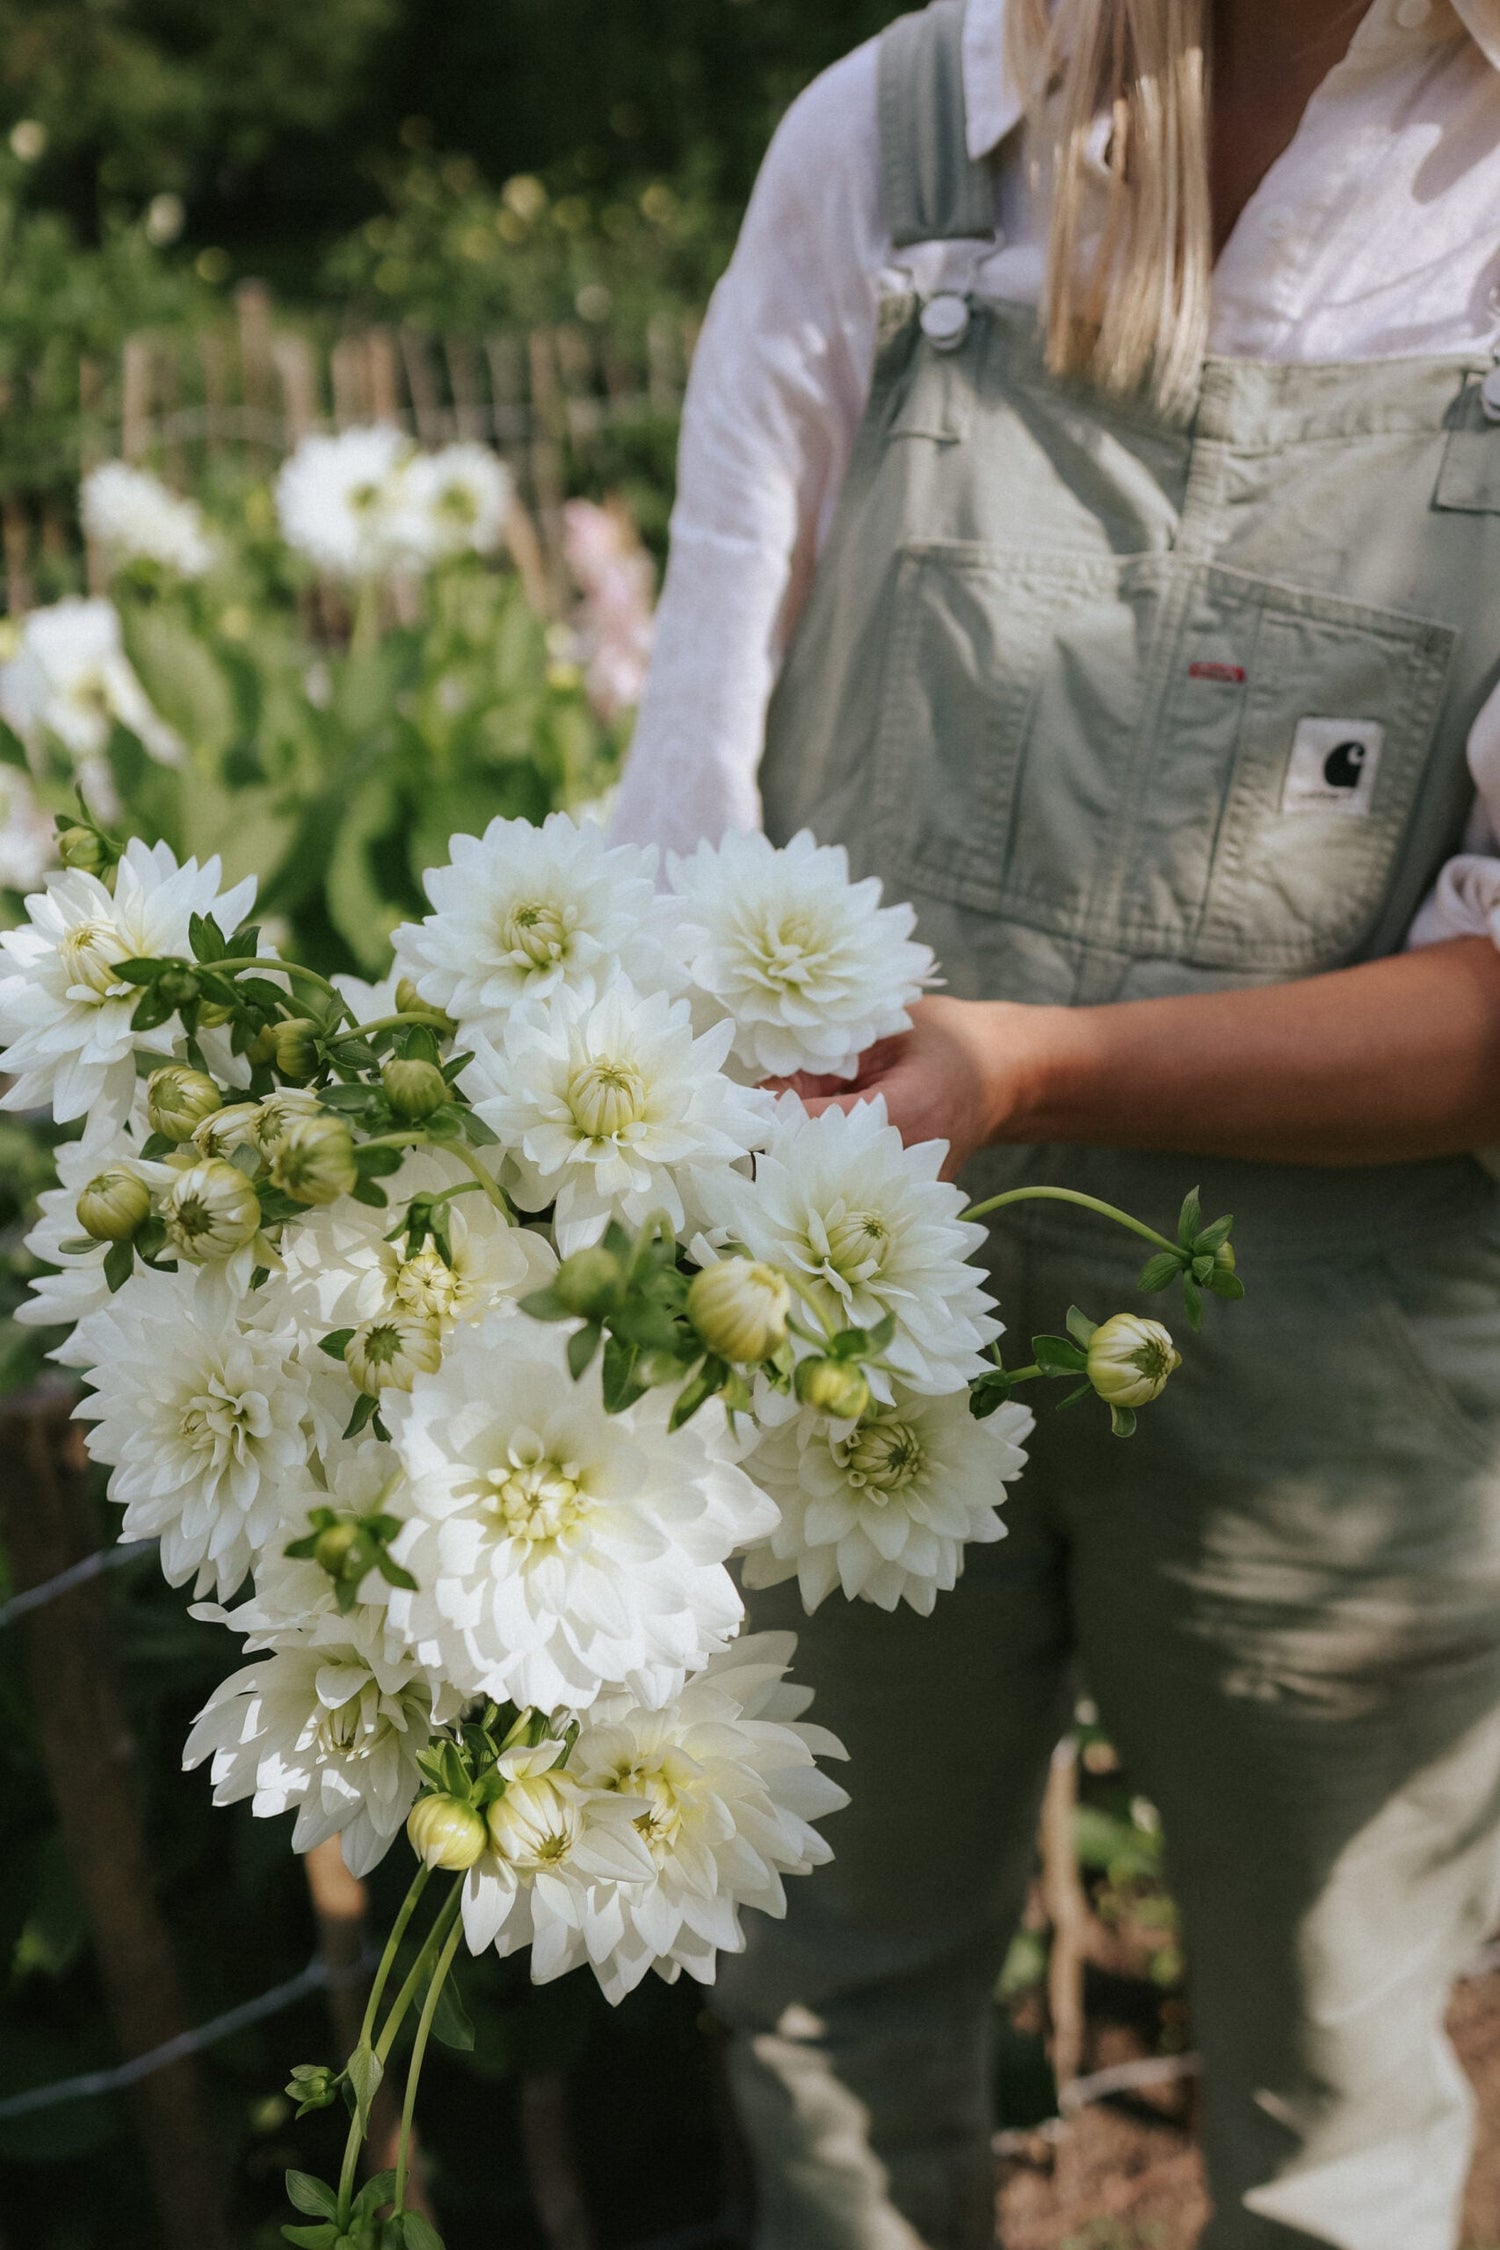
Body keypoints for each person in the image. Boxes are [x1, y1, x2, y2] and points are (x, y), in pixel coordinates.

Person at [609, 3, 1500, 2244]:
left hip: (1350, 1371)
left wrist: (1036, 1072)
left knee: (1334, 2088)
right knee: (822, 1990)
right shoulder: (907, 142)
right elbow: (682, 804)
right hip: (834, 1304)